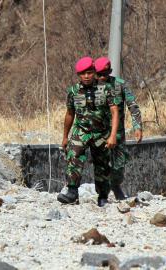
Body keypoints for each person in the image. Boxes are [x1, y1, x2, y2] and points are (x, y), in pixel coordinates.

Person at [57, 56, 121, 207]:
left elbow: (114, 112)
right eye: (83, 74)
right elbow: (69, 114)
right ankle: (72, 192)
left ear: (94, 72)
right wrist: (65, 137)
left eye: (89, 73)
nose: (86, 76)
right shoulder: (74, 91)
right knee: (74, 156)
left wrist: (113, 136)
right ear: (78, 75)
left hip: (101, 133)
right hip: (81, 131)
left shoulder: (105, 89)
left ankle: (103, 196)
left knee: (102, 165)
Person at [94, 57, 143, 200]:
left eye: (105, 74)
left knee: (119, 164)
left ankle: (116, 185)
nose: (102, 77)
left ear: (109, 72)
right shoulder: (91, 86)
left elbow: (133, 106)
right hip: (99, 133)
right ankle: (102, 192)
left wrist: (137, 126)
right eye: (99, 74)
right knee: (100, 164)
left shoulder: (119, 85)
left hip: (118, 133)